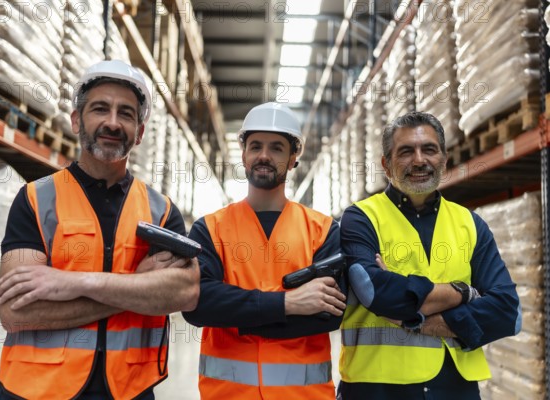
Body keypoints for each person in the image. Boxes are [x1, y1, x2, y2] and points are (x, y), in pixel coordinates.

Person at [0, 60, 200, 400]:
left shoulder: (161, 211)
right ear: (77, 120)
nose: (112, 122)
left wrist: (75, 282)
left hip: (129, 390)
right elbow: (16, 311)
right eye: (100, 109)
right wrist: (136, 288)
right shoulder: (35, 199)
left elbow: (186, 293)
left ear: (141, 131)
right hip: (36, 391)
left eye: (126, 114)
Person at [338, 111, 521, 399]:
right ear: (386, 165)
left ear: (444, 160)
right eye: (406, 151)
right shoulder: (361, 218)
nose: (420, 160)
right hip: (377, 388)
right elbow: (375, 291)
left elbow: (507, 311)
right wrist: (463, 292)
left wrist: (424, 322)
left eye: (429, 150)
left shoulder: (470, 224)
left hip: (455, 389)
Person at [182, 102, 347, 399]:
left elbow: (329, 314)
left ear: (293, 157)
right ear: (243, 155)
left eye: (277, 148)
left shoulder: (323, 231)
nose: (264, 156)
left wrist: (237, 313)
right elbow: (198, 305)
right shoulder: (209, 229)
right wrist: (289, 303)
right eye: (255, 146)